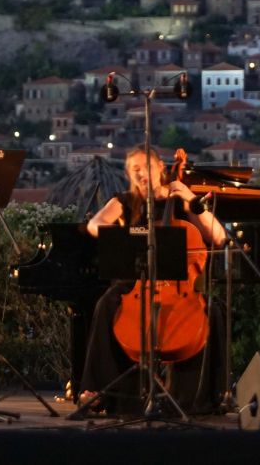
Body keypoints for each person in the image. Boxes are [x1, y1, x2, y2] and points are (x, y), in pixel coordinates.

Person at [76, 145, 227, 417]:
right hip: (135, 283)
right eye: (134, 170)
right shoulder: (123, 201)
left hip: (180, 286)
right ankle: (102, 391)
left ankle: (204, 395)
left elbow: (218, 236)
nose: (141, 174)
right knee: (106, 305)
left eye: (145, 167)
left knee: (213, 310)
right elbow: (94, 225)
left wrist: (190, 197)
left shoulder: (181, 200)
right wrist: (132, 232)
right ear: (128, 175)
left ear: (160, 168)